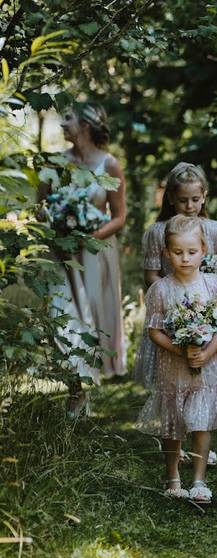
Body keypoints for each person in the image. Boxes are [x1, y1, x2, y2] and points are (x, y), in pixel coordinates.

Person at [135, 162, 217, 466]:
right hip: (169, 311)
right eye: (182, 200)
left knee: (202, 383)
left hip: (204, 310)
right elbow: (151, 274)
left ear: (204, 197)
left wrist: (203, 313)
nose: (189, 206)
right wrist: (169, 305)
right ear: (171, 199)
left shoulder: (214, 230)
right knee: (175, 385)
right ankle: (178, 442)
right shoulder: (157, 232)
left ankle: (200, 439)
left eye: (195, 199)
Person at [50, 102, 128, 414]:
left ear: (85, 125)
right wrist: (57, 228)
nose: (62, 124)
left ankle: (88, 383)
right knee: (63, 315)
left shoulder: (109, 164)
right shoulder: (57, 163)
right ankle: (75, 390)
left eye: (67, 118)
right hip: (63, 253)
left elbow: (120, 216)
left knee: (92, 318)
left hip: (96, 252)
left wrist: (90, 236)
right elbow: (44, 206)